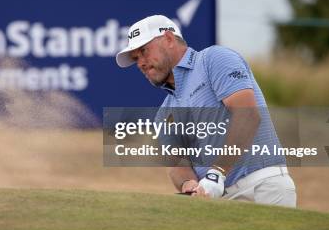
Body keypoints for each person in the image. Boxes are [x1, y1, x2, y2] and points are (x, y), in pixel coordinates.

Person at [115, 15, 297, 207]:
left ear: (168, 39)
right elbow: (178, 164)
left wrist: (217, 172)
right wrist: (188, 183)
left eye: (144, 51)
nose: (141, 63)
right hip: (218, 202)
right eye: (136, 58)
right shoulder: (164, 113)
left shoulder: (214, 59)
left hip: (261, 186)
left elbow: (248, 115)